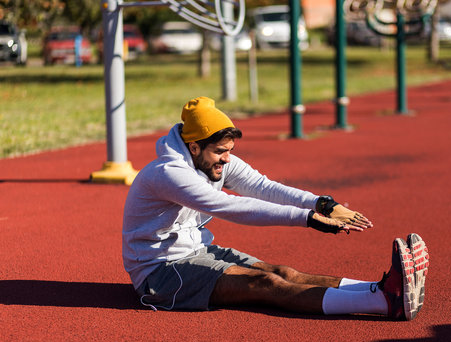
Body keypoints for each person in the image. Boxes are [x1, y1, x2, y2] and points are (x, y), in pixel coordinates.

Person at [122, 96, 429, 320]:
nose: (227, 159)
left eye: (230, 151)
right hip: (160, 274)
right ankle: (387, 303)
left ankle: (381, 288)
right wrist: (307, 219)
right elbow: (231, 207)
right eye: (220, 152)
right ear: (194, 147)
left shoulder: (214, 159)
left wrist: (322, 203)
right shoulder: (169, 174)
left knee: (283, 272)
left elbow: (264, 187)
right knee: (265, 283)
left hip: (196, 252)